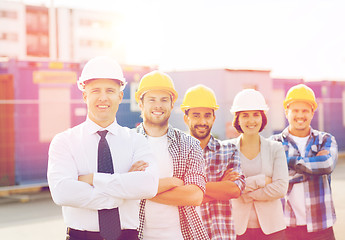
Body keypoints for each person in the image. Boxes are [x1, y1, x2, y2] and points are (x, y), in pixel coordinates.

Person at [47, 56, 159, 240]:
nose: (103, 97)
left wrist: (91, 180)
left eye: (110, 90)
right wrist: (122, 190)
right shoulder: (64, 141)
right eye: (95, 90)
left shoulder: (137, 141)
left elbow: (148, 185)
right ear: (85, 95)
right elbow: (62, 192)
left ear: (120, 96)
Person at [135, 71, 209, 240]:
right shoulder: (127, 142)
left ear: (172, 104)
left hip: (181, 236)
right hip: (137, 235)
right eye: (151, 99)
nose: (158, 105)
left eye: (164, 100)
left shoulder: (190, 144)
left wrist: (141, 189)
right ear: (141, 104)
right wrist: (170, 183)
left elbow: (195, 195)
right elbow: (119, 189)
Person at [271, 84, 337, 240]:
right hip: (286, 227)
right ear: (286, 111)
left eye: (305, 111)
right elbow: (272, 178)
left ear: (313, 112)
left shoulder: (325, 139)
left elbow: (326, 165)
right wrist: (314, 167)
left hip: (322, 226)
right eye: (295, 110)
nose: (300, 115)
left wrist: (285, 163)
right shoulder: (274, 143)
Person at [181, 84, 246, 240]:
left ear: (213, 118)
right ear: (186, 118)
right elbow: (176, 198)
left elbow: (234, 190)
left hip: (221, 235)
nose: (202, 121)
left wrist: (190, 189)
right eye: (196, 115)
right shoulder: (177, 153)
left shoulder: (229, 150)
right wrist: (220, 185)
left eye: (207, 115)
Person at [229, 89, 289, 240]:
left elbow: (281, 188)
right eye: (245, 115)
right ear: (238, 119)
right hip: (238, 230)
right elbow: (227, 188)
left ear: (262, 117)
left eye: (256, 114)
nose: (251, 120)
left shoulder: (275, 148)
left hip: (272, 230)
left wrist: (245, 193)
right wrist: (262, 181)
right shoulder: (226, 149)